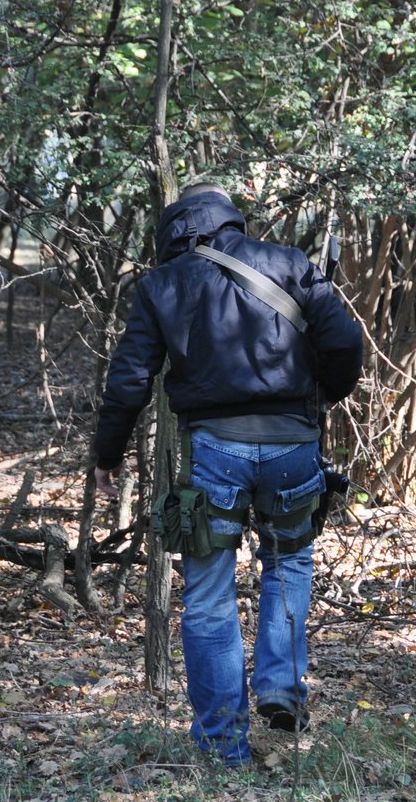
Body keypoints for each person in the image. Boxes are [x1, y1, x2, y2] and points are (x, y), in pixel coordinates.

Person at [91, 183, 364, 766]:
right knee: (288, 561)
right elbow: (344, 342)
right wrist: (317, 401)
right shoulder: (290, 262)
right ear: (231, 221)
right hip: (294, 442)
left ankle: (222, 747)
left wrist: (107, 455)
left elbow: (129, 381)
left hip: (214, 450)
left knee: (210, 594)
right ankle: (281, 690)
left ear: (173, 232)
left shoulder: (162, 284)